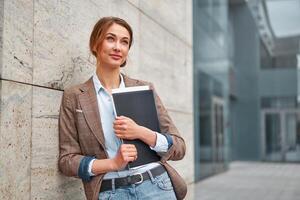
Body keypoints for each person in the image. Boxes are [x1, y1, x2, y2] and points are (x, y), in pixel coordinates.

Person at [58, 16, 187, 200]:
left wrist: (141, 133)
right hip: (110, 192)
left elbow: (179, 147)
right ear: (95, 44)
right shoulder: (75, 96)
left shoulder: (144, 89)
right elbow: (67, 161)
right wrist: (112, 163)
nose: (118, 47)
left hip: (157, 185)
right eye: (110, 39)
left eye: (124, 42)